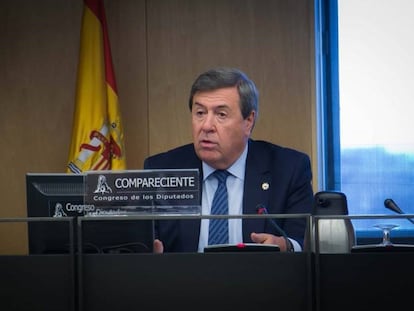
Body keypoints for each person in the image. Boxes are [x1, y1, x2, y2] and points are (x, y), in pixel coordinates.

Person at [144, 67, 314, 253]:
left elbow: (303, 241)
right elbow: (144, 242)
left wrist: (287, 246)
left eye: (221, 115)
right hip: (183, 281)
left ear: (248, 121)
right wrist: (148, 255)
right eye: (200, 113)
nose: (206, 126)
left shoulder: (288, 169)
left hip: (261, 280)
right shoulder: (162, 171)